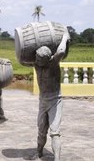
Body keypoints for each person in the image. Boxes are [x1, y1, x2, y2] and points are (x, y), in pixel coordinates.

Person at [30, 32, 69, 161]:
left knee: (55, 132)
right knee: (41, 131)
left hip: (55, 101)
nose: (37, 61)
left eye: (40, 59)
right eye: (37, 58)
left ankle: (57, 159)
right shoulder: (36, 64)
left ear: (48, 59)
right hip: (43, 101)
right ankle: (39, 152)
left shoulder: (53, 64)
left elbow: (62, 51)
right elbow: (21, 57)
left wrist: (64, 37)